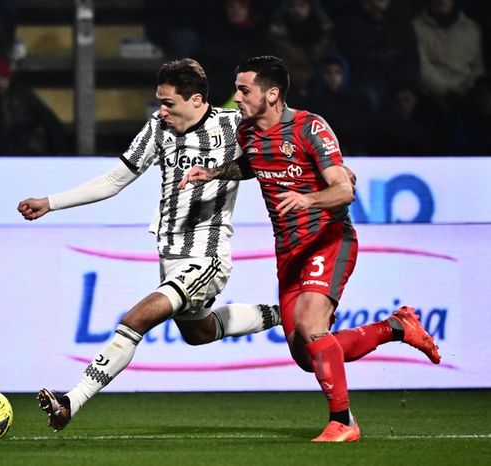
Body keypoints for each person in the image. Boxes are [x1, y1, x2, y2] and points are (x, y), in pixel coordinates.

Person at [179, 55, 441, 442]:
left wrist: (308, 200)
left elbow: (344, 188)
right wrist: (214, 172)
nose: (236, 97)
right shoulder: (248, 132)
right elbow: (251, 165)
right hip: (289, 252)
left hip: (328, 240)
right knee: (307, 355)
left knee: (310, 325)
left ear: (271, 94)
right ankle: (396, 328)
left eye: (244, 90)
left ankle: (343, 422)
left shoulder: (309, 127)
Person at [18, 58, 281, 432]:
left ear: (195, 100)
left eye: (169, 102)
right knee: (199, 332)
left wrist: (326, 170)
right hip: (170, 256)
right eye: (159, 100)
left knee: (134, 321)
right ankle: (284, 312)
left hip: (206, 256)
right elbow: (114, 180)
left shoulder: (233, 126)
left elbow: (278, 151)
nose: (161, 109)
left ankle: (70, 401)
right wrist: (51, 202)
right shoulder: (159, 129)